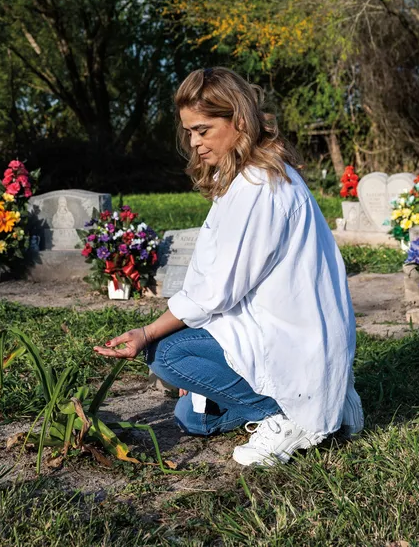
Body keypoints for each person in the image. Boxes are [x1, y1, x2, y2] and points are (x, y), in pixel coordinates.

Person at [94, 67, 363, 466]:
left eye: (203, 129)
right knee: (193, 418)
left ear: (238, 119)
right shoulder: (244, 178)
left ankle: (292, 416)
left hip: (290, 338)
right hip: (268, 327)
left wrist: (147, 332)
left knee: (166, 354)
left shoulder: (258, 185)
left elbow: (216, 292)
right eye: (189, 132)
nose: (194, 142)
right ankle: (327, 405)